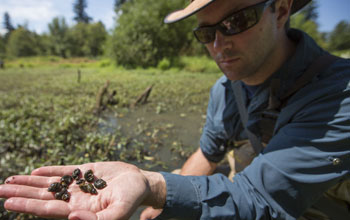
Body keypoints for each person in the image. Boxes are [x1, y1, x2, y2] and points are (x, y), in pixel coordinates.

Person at [0, 0, 349, 219]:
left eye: (236, 21)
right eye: (206, 32)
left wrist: (155, 184)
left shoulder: (337, 97)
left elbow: (262, 200)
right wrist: (156, 204)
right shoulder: (226, 92)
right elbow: (207, 153)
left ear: (282, 10)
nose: (218, 45)